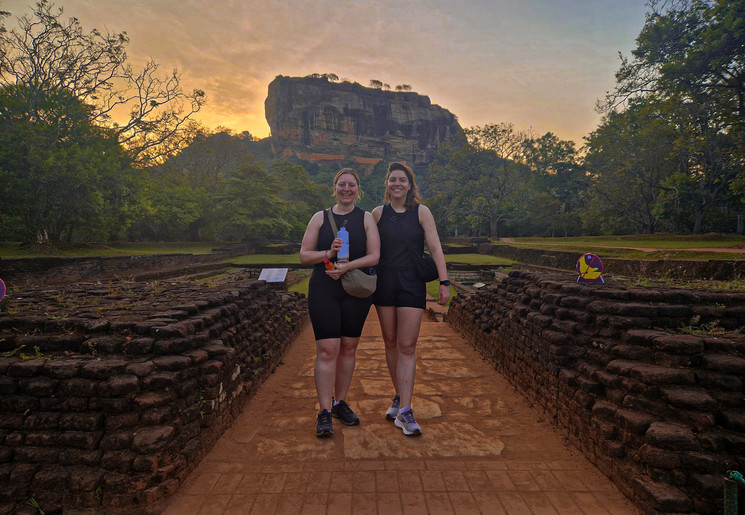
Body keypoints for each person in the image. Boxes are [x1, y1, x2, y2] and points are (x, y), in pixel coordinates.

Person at [300, 168, 380, 437]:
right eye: (342, 185)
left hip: (355, 290)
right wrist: (329, 252)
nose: (347, 189)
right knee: (327, 349)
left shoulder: (366, 218)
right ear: (334, 188)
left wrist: (346, 267)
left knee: (348, 347)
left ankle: (340, 402)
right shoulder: (320, 218)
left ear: (359, 189)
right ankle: (323, 410)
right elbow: (304, 255)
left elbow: (375, 256)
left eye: (352, 185)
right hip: (324, 288)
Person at [372, 161, 450, 436]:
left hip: (411, 283)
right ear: (387, 184)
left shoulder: (421, 212)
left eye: (402, 180)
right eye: (393, 180)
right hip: (384, 283)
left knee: (407, 345)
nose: (397, 184)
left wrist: (444, 281)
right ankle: (398, 395)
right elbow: (367, 247)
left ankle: (405, 410)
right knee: (391, 343)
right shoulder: (377, 214)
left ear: (409, 184)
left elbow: (435, 246)